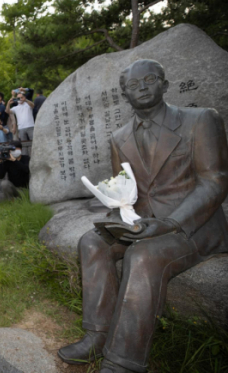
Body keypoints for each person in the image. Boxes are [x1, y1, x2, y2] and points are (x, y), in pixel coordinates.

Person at [58, 60, 228, 373]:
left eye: (150, 80)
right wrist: (117, 216)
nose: (143, 87)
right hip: (143, 221)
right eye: (134, 85)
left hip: (192, 224)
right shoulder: (120, 137)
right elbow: (124, 190)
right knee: (92, 242)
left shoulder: (200, 120)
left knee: (143, 255)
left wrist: (171, 222)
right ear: (124, 95)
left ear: (164, 84)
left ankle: (124, 360)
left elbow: (215, 181)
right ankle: (98, 334)